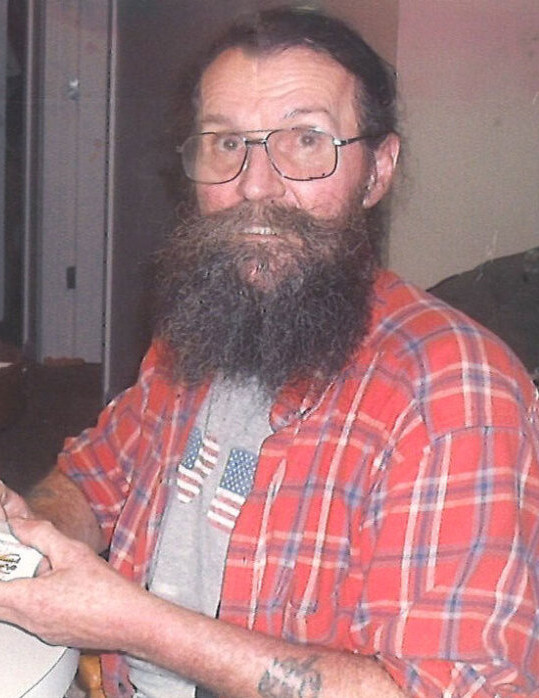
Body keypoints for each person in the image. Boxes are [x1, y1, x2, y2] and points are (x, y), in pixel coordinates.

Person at [0, 7, 538, 698]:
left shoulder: (454, 395)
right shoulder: (202, 329)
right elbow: (95, 476)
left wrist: (131, 623)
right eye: (226, 143)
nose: (254, 186)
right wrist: (30, 532)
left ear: (377, 170)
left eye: (306, 140)